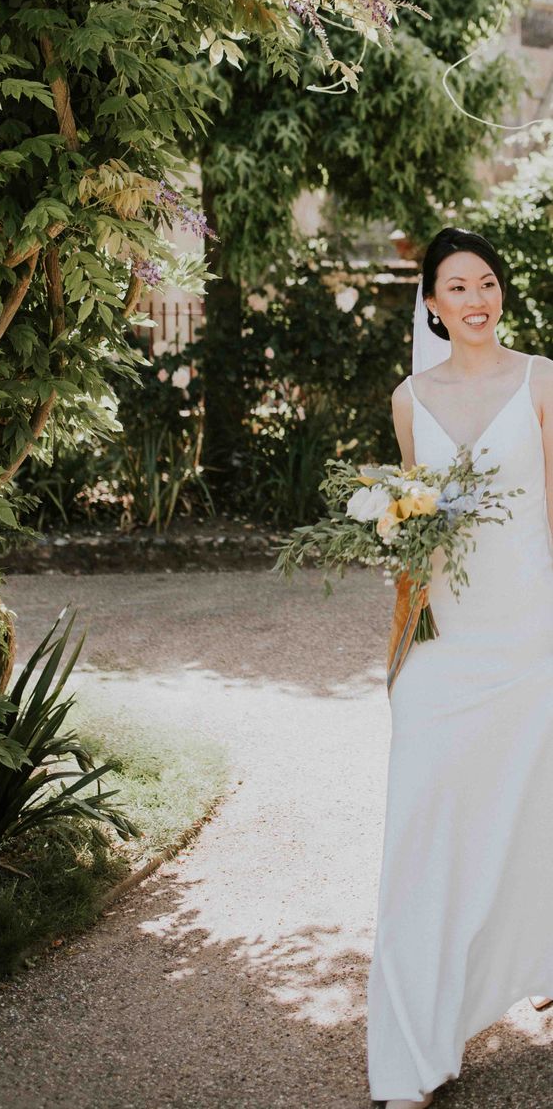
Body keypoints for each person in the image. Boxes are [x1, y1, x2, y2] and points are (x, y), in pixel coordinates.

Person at [366, 226, 553, 1107]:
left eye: (487, 283)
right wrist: (399, 655)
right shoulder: (411, 397)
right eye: (457, 287)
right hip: (446, 646)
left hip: (530, 638)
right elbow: (410, 524)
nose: (476, 299)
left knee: (531, 810)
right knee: (423, 824)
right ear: (431, 305)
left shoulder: (544, 381)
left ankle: (537, 955)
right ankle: (412, 1045)